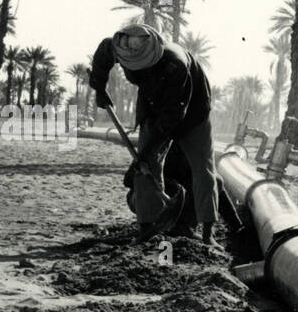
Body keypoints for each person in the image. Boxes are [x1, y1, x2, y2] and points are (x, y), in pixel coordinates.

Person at [88, 24, 220, 245]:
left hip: (192, 112)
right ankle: (148, 227)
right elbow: (102, 57)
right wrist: (99, 89)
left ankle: (208, 234)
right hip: (152, 103)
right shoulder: (118, 46)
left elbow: (172, 117)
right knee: (146, 169)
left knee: (202, 168)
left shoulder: (175, 64)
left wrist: (144, 156)